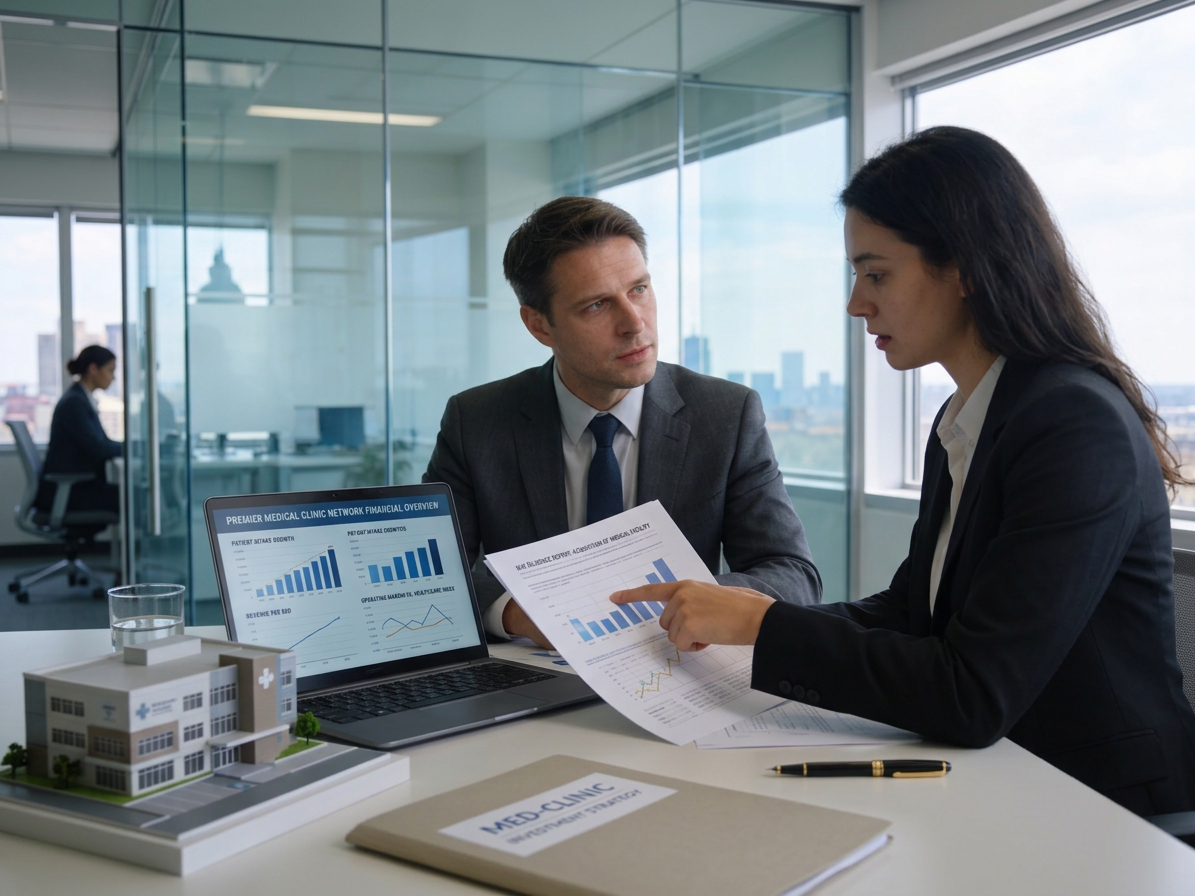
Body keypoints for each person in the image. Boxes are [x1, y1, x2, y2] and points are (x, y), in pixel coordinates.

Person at [613, 127, 1195, 816]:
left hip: (1104, 808)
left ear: (964, 268)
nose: (856, 303)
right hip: (1003, 779)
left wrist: (764, 627)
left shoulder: (1072, 423)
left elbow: (972, 691)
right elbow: (912, 613)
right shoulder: (971, 415)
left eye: (876, 273)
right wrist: (735, 630)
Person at [424, 196, 822, 648]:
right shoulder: (476, 421)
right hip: (535, 678)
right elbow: (431, 574)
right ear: (540, 326)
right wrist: (516, 613)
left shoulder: (726, 414)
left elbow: (794, 574)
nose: (635, 323)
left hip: (675, 667)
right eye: (596, 305)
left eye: (639, 289)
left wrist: (708, 601)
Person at [37, 345, 123, 515]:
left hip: (76, 487)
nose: (113, 377)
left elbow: (102, 443)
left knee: (132, 492)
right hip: (69, 492)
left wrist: (135, 445)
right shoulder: (74, 403)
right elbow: (98, 449)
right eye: (110, 370)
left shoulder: (80, 398)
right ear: (93, 369)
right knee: (137, 495)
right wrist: (134, 449)